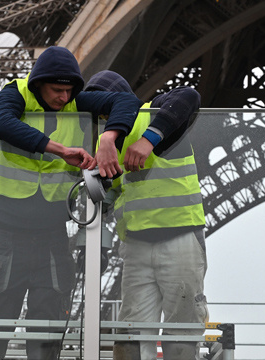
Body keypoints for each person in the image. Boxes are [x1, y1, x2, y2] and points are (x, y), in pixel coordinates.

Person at [0, 47, 141, 360]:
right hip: (8, 236)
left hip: (52, 236)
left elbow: (127, 101)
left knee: (46, 341)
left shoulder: (77, 100)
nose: (64, 98)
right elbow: (3, 123)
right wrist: (60, 150)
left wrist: (108, 139)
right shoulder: (14, 95)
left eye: (68, 90)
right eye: (57, 90)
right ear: (38, 83)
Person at [84, 71, 209, 360]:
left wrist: (149, 140)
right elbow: (114, 193)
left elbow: (188, 96)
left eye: (104, 106)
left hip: (178, 238)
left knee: (179, 327)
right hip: (136, 246)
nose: (102, 116)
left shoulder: (152, 115)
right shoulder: (107, 143)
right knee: (133, 330)